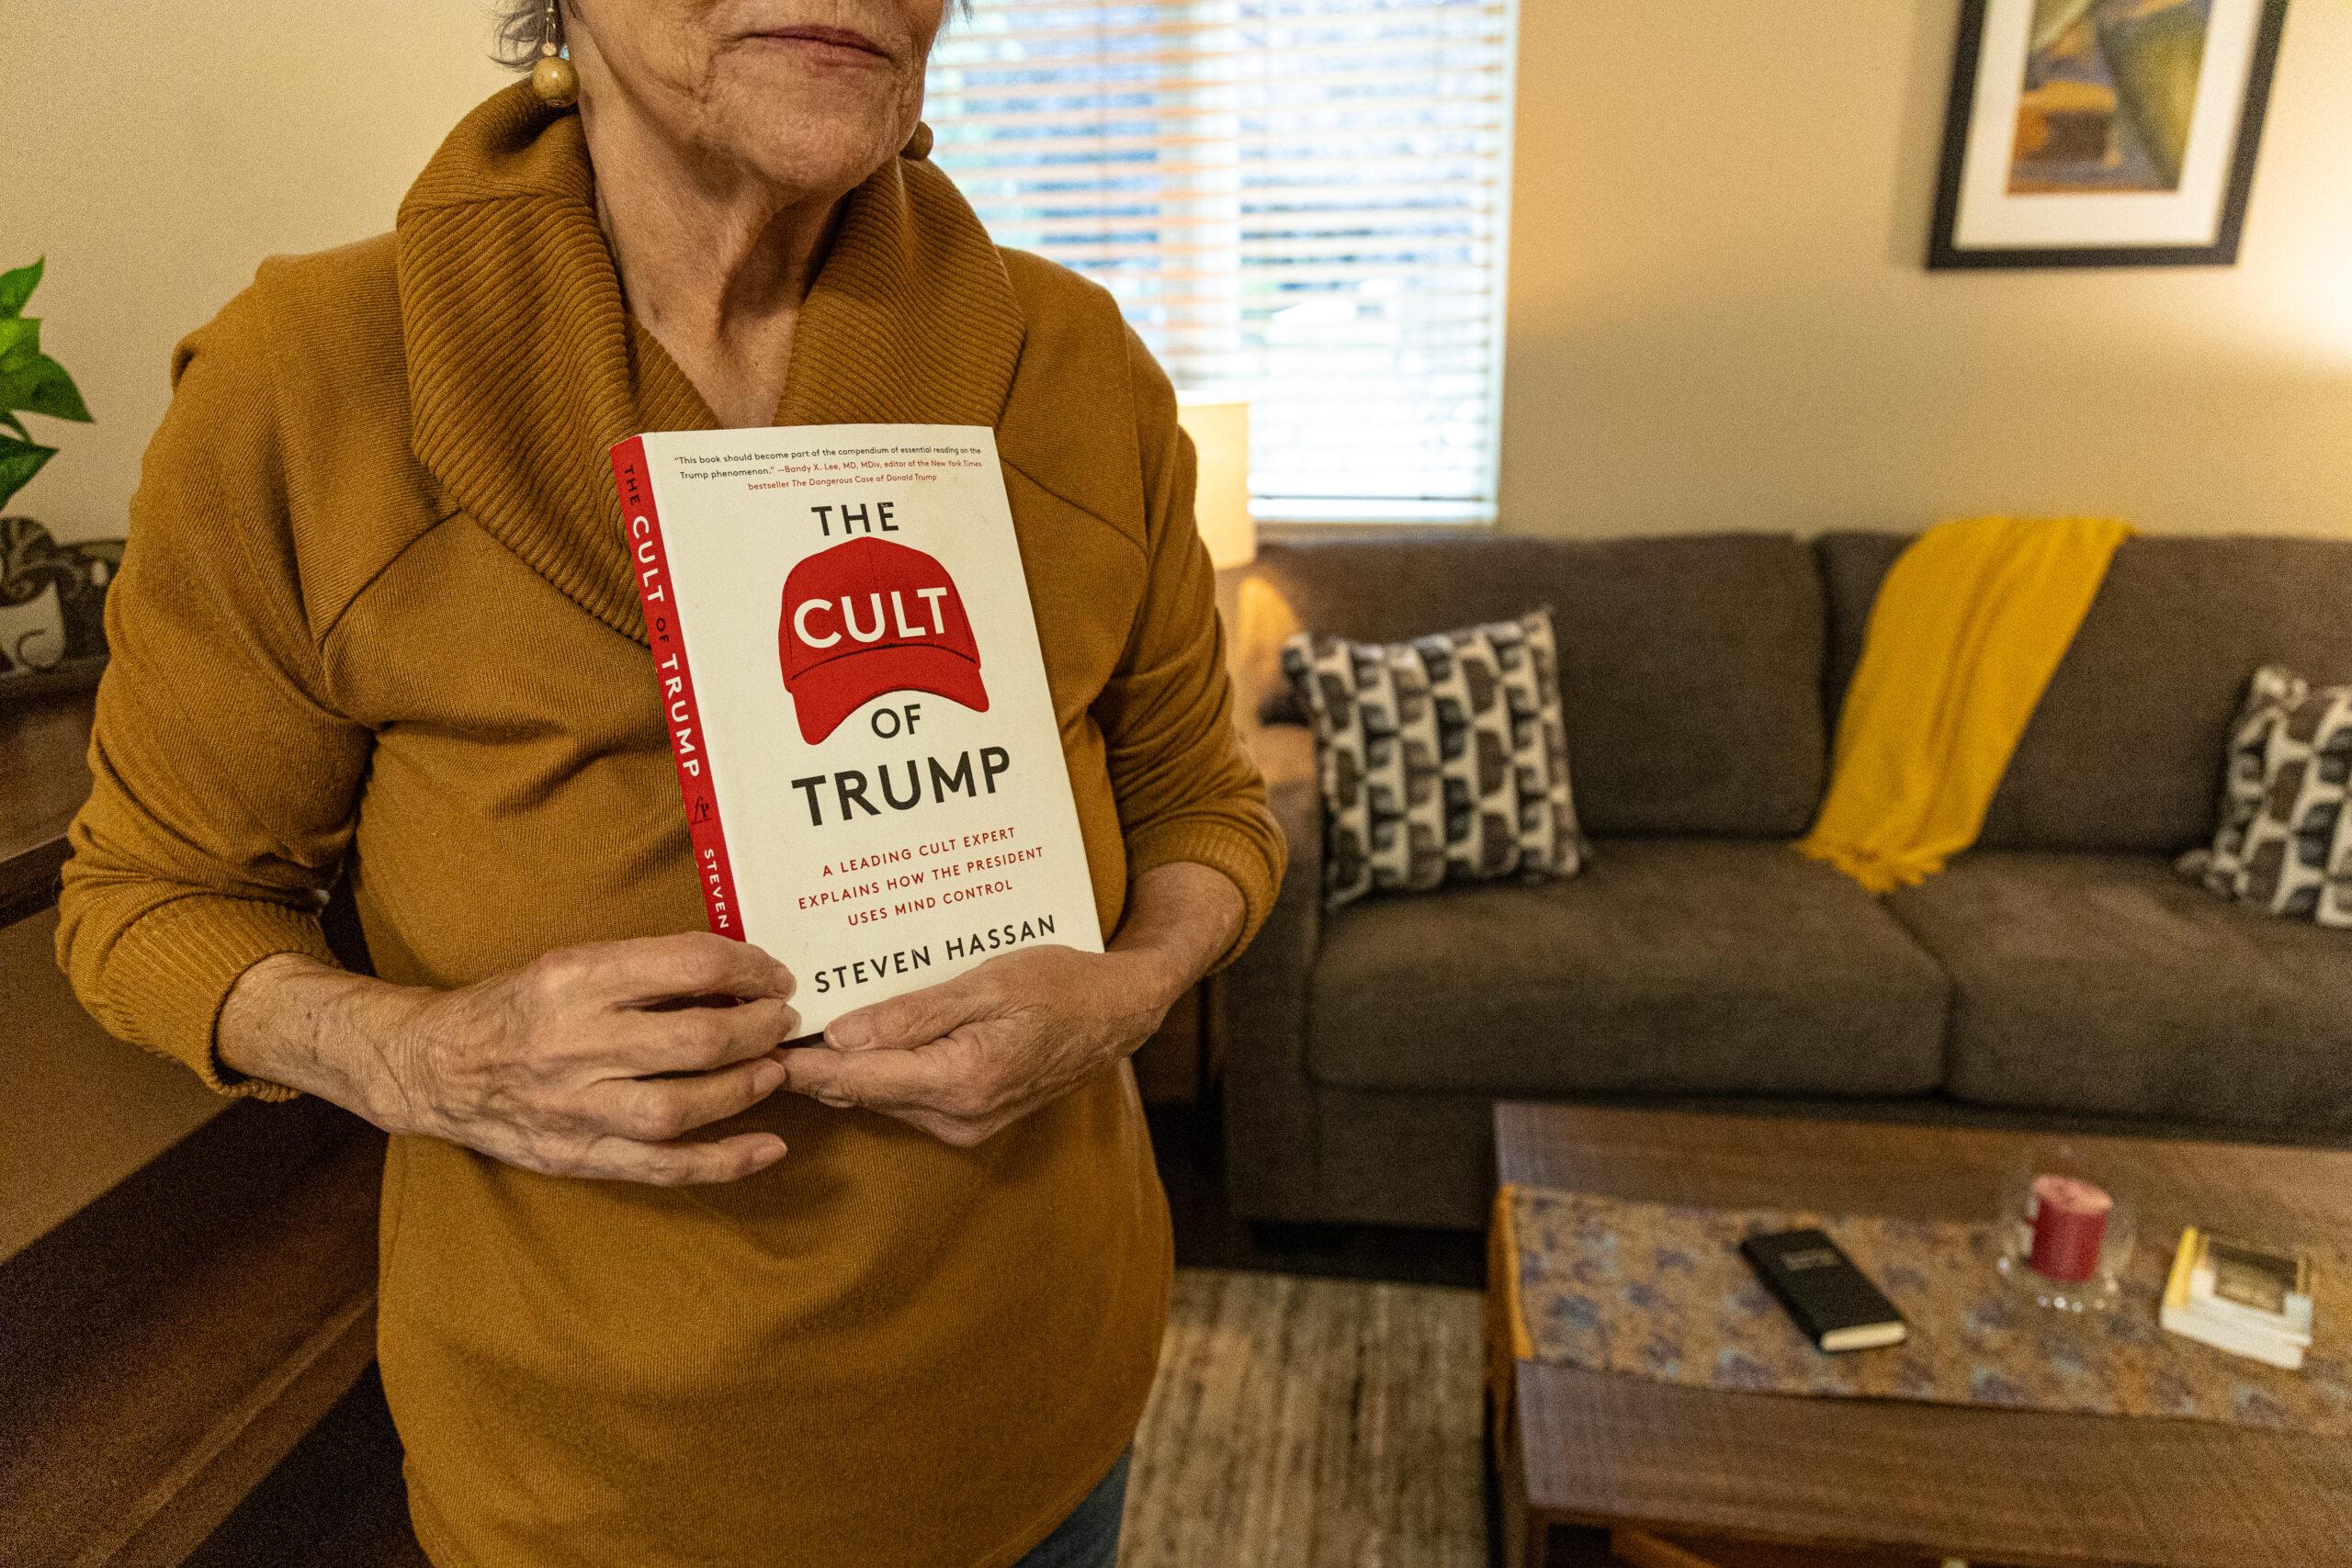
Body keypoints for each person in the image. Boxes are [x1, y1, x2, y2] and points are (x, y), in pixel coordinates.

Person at [54, 2, 1283, 1564]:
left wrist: (1137, 983)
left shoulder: (1077, 368)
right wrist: (423, 1055)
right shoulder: (308, 383)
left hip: (1040, 1412)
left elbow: (1203, 806)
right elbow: (148, 902)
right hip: (596, 1486)